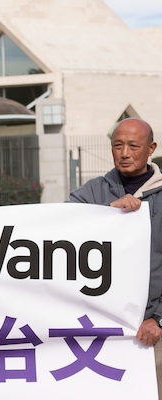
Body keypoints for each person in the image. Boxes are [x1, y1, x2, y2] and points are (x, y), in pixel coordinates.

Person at [69, 117, 162, 397]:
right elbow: (61, 230)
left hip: (151, 331)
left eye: (134, 145)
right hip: (99, 331)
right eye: (118, 145)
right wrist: (107, 212)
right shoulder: (93, 191)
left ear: (151, 148)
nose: (124, 153)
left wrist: (158, 319)